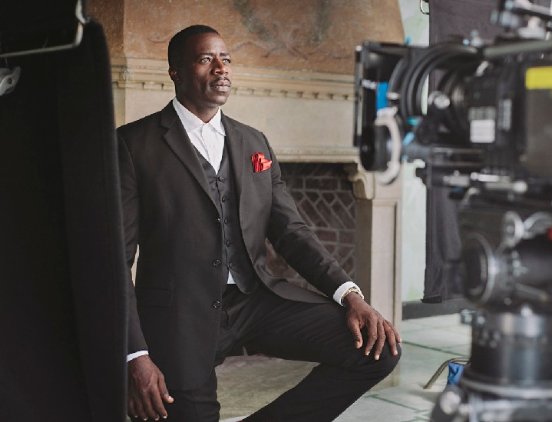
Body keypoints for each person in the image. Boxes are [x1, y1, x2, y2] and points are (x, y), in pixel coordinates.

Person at [118, 24, 401, 422]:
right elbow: (115, 261)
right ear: (175, 72)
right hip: (179, 315)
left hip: (256, 300)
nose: (221, 69)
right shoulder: (133, 144)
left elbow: (291, 232)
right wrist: (135, 355)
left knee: (377, 350)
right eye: (205, 59)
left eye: (226, 59)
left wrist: (351, 296)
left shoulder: (254, 142)